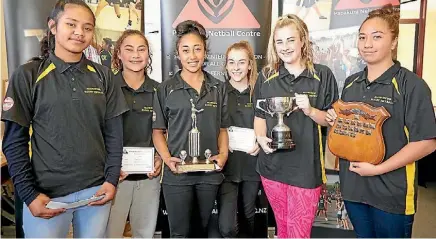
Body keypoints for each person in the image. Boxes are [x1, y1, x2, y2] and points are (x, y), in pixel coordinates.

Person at [1, 0, 128, 237]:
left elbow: (114, 133)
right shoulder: (28, 75)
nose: (79, 32)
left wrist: (111, 180)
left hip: (96, 193)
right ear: (53, 26)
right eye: (71, 24)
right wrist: (29, 194)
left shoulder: (102, 75)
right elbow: (13, 142)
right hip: (47, 196)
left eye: (87, 27)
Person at [325, 5, 436, 238]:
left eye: (377, 37)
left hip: (391, 194)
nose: (367, 44)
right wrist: (334, 120)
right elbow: (349, 128)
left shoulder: (411, 85)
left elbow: (427, 142)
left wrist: (378, 169)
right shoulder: (351, 83)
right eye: (362, 37)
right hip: (354, 189)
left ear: (394, 42)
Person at [253, 14, 338, 238]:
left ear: (302, 40)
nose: (285, 47)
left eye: (291, 40)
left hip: (306, 169)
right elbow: (259, 116)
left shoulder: (323, 75)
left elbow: (331, 120)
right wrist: (261, 138)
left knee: (299, 232)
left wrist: (310, 110)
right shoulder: (266, 76)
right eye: (279, 42)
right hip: (272, 167)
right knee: (282, 229)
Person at [152, 20, 229, 238]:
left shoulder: (218, 87)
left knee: (200, 230)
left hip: (208, 174)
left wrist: (222, 155)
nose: (192, 56)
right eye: (185, 50)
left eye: (197, 49)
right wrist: (167, 159)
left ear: (205, 52)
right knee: (179, 233)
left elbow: (222, 128)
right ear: (178, 53)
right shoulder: (165, 88)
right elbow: (158, 131)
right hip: (177, 175)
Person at [106, 30, 162, 238]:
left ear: (148, 54)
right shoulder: (106, 88)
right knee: (110, 233)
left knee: (144, 234)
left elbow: (165, 132)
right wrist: (110, 166)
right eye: (129, 49)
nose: (136, 55)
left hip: (148, 177)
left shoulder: (160, 90)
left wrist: (160, 159)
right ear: (118, 54)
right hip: (113, 178)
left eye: (141, 49)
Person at [218, 41, 260, 238]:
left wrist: (261, 142)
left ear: (250, 64)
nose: (236, 68)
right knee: (227, 227)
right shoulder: (218, 92)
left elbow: (267, 124)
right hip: (227, 166)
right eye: (231, 62)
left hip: (252, 164)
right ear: (226, 65)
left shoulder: (259, 92)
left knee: (248, 217)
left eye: (241, 62)